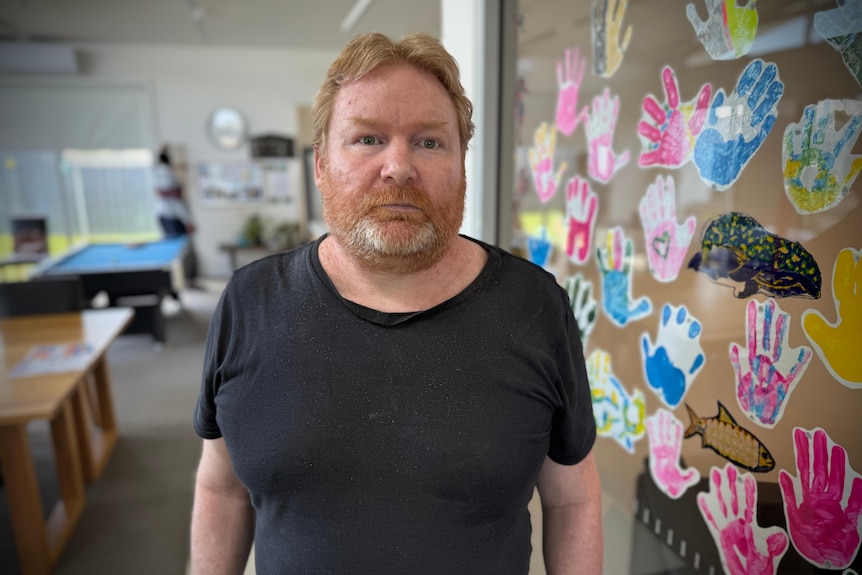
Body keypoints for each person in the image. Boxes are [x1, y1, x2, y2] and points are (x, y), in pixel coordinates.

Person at [191, 32, 602, 575]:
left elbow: (572, 497)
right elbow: (221, 488)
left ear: (461, 165)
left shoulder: (534, 306)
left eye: (430, 142)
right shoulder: (249, 303)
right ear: (320, 164)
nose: (399, 167)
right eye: (367, 139)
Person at [153, 144, 195, 238]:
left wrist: (163, 152)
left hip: (162, 214)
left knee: (172, 240)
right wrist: (188, 221)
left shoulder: (157, 172)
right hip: (172, 216)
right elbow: (175, 203)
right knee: (179, 244)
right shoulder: (169, 177)